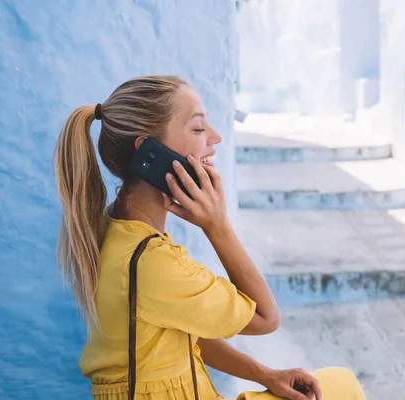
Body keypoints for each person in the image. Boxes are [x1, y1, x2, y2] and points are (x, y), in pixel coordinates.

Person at [53, 76, 367, 400]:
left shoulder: (116, 228)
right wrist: (218, 227)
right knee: (342, 386)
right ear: (149, 152)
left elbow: (185, 327)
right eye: (199, 128)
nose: (215, 138)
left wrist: (267, 375)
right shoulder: (152, 262)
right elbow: (266, 318)